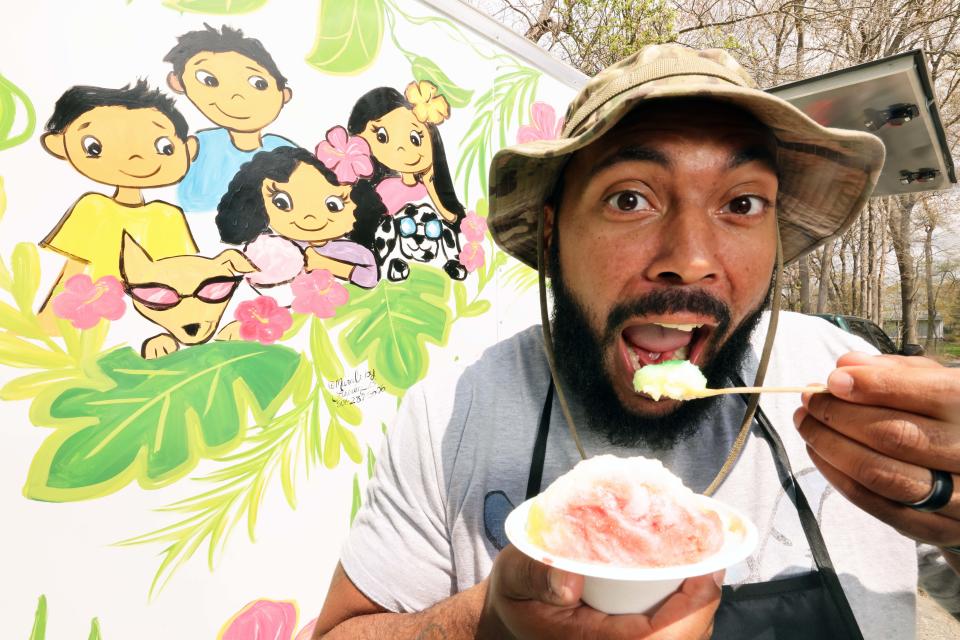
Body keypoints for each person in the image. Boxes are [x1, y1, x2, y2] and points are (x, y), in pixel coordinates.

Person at [312, 44, 960, 639]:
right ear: (550, 234)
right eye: (629, 198)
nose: (691, 258)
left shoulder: (845, 382)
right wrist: (485, 620)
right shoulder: (453, 414)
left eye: (742, 205)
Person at [37, 80, 198, 327]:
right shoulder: (93, 208)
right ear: (58, 145)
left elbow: (178, 273)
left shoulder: (168, 216)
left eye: (164, 147)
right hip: (92, 312)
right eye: (95, 146)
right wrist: (49, 322)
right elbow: (74, 271)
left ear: (189, 149)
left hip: (152, 315)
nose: (137, 158)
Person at [216, 144, 386, 296]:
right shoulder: (275, 247)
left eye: (334, 205)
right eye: (282, 202)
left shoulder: (352, 251)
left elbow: (371, 277)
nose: (310, 216)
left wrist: (324, 264)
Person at [164, 24, 295, 213]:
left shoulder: (284, 151)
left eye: (258, 83)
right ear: (178, 82)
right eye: (210, 81)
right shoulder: (198, 146)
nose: (236, 97)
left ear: (284, 94)